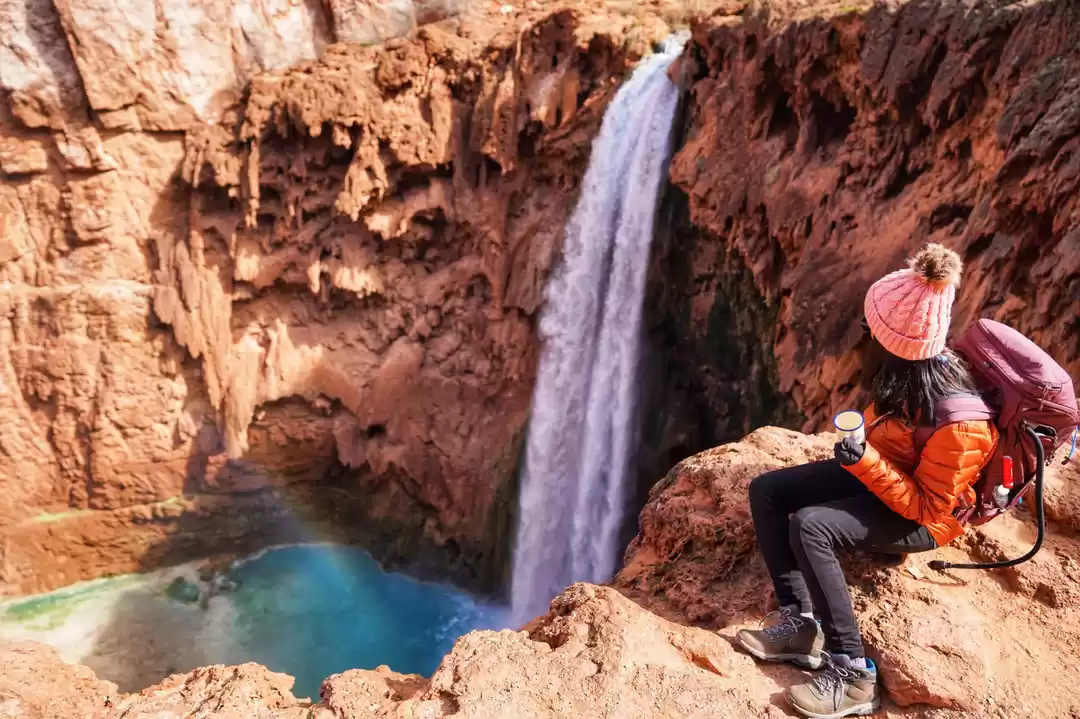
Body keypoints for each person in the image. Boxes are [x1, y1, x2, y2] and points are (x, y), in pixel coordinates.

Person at [735, 243, 998, 718]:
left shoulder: (961, 422)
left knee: (812, 525)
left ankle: (853, 671)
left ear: (895, 346)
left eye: (868, 331)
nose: (862, 339)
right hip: (881, 476)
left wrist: (864, 463)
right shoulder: (909, 380)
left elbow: (928, 508)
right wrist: (864, 459)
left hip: (921, 517)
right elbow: (892, 446)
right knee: (768, 491)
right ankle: (800, 624)